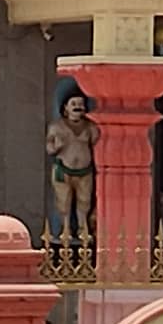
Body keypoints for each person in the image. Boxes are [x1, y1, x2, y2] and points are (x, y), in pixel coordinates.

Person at [45, 91, 98, 235]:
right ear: (66, 108)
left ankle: (83, 229)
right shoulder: (56, 127)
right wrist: (57, 146)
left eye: (80, 104)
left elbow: (96, 144)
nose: (77, 107)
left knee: (84, 201)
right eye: (73, 104)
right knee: (63, 202)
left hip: (84, 171)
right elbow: (49, 148)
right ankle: (66, 230)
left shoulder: (90, 127)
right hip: (63, 170)